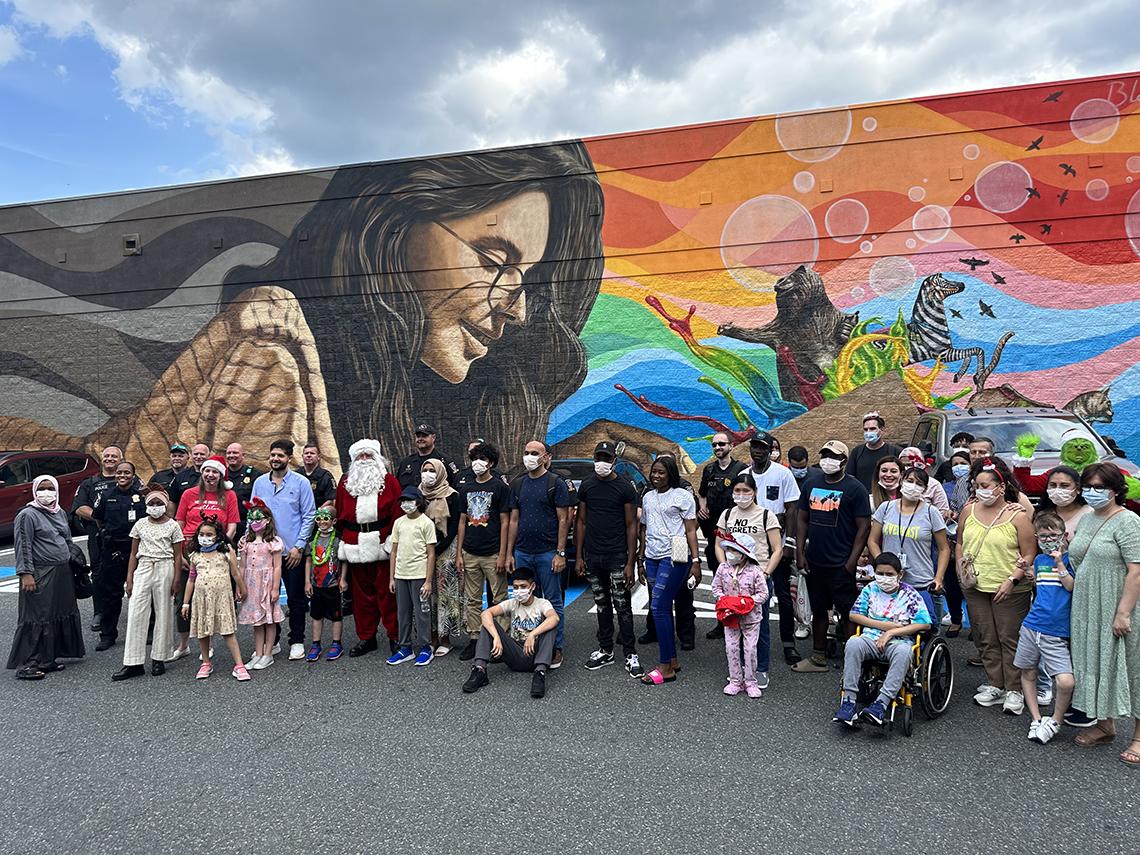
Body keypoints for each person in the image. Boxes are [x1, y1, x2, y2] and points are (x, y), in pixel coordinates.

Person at [1068, 463, 1140, 763]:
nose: (1092, 492)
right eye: (1088, 487)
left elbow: (1136, 570)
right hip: (1087, 605)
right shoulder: (1086, 519)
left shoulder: (1129, 521)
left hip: (1118, 604)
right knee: (1094, 662)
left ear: (1115, 490)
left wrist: (1123, 612)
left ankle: (1138, 737)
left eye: (1099, 487)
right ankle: (1104, 725)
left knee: (1131, 667)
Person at [958, 457, 1036, 714]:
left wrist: (1012, 580)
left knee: (1009, 638)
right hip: (975, 585)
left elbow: (1029, 553)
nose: (981, 490)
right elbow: (959, 542)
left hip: (1009, 588)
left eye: (986, 485)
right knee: (985, 637)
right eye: (977, 484)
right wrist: (960, 565)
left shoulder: (1017, 515)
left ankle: (1015, 689)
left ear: (1001, 487)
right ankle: (995, 683)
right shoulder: (968, 510)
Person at [793, 440, 872, 673]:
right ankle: (818, 657)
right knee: (819, 610)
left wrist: (851, 561)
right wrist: (800, 552)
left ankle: (852, 658)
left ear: (844, 461)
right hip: (815, 561)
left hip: (841, 564)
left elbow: (864, 527)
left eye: (833, 456)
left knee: (848, 612)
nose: (828, 460)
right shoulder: (811, 483)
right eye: (824, 455)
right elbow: (802, 519)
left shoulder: (855, 488)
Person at [833, 552, 932, 727]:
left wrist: (891, 633)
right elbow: (854, 615)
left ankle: (881, 704)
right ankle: (848, 702)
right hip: (870, 639)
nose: (884, 578)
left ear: (899, 575)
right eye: (880, 573)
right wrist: (885, 627)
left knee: (904, 652)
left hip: (899, 642)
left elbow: (924, 625)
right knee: (853, 643)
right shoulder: (870, 589)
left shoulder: (910, 594)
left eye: (889, 574)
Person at [7, 475, 85, 680]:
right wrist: (26, 574)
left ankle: (48, 658)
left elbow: (67, 539)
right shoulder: (27, 514)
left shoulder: (59, 512)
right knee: (37, 616)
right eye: (42, 488)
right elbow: (23, 545)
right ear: (34, 490)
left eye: (51, 488)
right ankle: (29, 663)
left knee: (57, 613)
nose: (46, 492)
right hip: (40, 572)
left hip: (62, 572)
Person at [576, 440, 643, 677]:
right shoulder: (586, 485)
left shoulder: (625, 487)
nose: (601, 462)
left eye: (606, 458)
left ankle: (630, 653)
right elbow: (581, 521)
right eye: (598, 457)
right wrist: (579, 556)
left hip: (617, 556)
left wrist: (630, 563)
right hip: (593, 556)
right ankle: (605, 649)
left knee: (622, 606)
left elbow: (631, 526)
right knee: (602, 604)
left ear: (614, 461)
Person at [506, 439, 573, 669]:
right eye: (526, 452)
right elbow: (514, 520)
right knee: (525, 601)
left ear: (546, 457)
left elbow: (564, 519)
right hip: (523, 553)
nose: (530, 457)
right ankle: (528, 642)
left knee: (553, 602)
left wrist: (560, 552)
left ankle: (555, 648)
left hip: (547, 554)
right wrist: (510, 553)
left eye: (535, 453)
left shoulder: (555, 483)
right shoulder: (518, 484)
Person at [714, 471, 783, 689]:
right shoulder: (727, 515)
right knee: (734, 625)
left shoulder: (765, 515)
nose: (741, 495)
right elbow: (718, 544)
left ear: (754, 492)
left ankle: (760, 669)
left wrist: (766, 573)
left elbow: (777, 549)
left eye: (746, 491)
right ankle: (740, 669)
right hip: (732, 580)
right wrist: (725, 568)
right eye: (737, 491)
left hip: (757, 578)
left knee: (758, 627)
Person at [251, 439, 317, 661]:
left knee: (296, 599)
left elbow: (309, 515)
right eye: (272, 455)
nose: (275, 459)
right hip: (265, 553)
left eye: (280, 455)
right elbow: (254, 516)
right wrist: (249, 542)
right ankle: (273, 641)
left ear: (289, 458)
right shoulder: (260, 483)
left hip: (291, 553)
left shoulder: (300, 483)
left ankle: (296, 640)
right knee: (267, 599)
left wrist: (299, 546)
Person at [335, 439, 402, 657]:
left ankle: (395, 636)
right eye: (360, 456)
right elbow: (340, 514)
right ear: (354, 460)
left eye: (369, 456)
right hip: (354, 544)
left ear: (378, 458)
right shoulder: (346, 483)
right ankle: (367, 637)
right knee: (361, 599)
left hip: (382, 543)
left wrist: (392, 541)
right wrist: (344, 541)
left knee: (388, 595)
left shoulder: (389, 481)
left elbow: (397, 513)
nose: (364, 460)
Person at [637, 455, 701, 685]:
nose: (656, 476)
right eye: (654, 472)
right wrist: (641, 558)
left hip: (676, 553)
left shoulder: (683, 496)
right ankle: (672, 659)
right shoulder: (647, 497)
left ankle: (665, 668)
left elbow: (691, 530)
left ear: (671, 473)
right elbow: (644, 529)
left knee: (659, 607)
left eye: (661, 472)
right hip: (652, 556)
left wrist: (696, 561)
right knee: (659, 607)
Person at [1015, 511, 1077, 745]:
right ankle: (1036, 718)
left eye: (1053, 535)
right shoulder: (1040, 561)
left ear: (1064, 535)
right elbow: (1041, 587)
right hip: (1032, 625)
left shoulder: (1071, 560)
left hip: (1057, 630)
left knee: (1065, 681)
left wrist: (1060, 562)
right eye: (1043, 536)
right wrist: (1028, 571)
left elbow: (1070, 587)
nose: (1048, 539)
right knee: (1028, 672)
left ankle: (1055, 721)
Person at [170, 455, 239, 659]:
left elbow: (233, 525)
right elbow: (179, 522)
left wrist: (221, 545)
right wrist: (179, 553)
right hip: (189, 549)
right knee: (184, 597)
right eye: (207, 471)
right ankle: (183, 645)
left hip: (216, 550)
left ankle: (208, 644)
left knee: (213, 597)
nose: (210, 475)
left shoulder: (229, 495)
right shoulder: (189, 494)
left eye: (215, 472)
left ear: (220, 475)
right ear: (202, 473)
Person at [743, 430, 802, 663]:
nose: (758, 450)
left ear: (770, 450)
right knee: (753, 594)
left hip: (776, 540)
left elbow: (792, 509)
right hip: (752, 542)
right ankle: (753, 640)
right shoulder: (744, 475)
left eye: (762, 447)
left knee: (783, 594)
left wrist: (789, 542)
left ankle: (788, 643)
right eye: (754, 446)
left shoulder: (783, 474)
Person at [113, 485, 183, 681]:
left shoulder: (173, 526)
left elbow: (178, 555)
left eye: (158, 503)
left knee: (164, 612)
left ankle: (159, 658)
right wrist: (129, 579)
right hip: (143, 566)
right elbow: (133, 553)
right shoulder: (140, 524)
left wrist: (177, 578)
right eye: (151, 503)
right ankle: (133, 662)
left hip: (165, 565)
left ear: (165, 504)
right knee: (136, 611)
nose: (155, 506)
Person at [868, 467, 951, 627]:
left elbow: (944, 548)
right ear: (901, 482)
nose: (913, 486)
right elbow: (872, 540)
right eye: (909, 481)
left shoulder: (931, 512)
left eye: (918, 483)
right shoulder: (886, 508)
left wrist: (938, 578)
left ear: (925, 489)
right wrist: (882, 562)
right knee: (886, 624)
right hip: (889, 579)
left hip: (920, 580)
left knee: (924, 627)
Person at [461, 567, 559, 699]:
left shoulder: (542, 603)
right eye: (516, 587)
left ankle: (540, 673)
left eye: (523, 586)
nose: (519, 591)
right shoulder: (512, 603)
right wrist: (496, 637)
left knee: (550, 626)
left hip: (535, 655)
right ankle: (480, 670)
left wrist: (533, 634)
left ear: (533, 586)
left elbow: (554, 618)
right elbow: (486, 613)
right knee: (487, 625)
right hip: (515, 653)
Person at [456, 442, 512, 661]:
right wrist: (459, 553)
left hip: (492, 552)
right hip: (470, 551)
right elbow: (462, 522)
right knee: (472, 599)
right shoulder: (466, 488)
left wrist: (503, 553)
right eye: (474, 458)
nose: (477, 463)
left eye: (482, 459)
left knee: (499, 598)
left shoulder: (500, 487)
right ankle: (474, 638)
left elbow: (506, 522)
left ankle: (501, 639)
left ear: (490, 463)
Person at [181, 518, 249, 681]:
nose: (205, 537)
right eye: (202, 534)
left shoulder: (226, 551)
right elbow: (191, 579)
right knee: (203, 632)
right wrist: (185, 602)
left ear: (218, 535)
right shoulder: (195, 555)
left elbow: (235, 573)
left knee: (228, 631)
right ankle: (206, 662)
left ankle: (239, 665)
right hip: (201, 599)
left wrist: (242, 588)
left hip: (222, 599)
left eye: (209, 534)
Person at [90, 461, 146, 651]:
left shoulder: (140, 497)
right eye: (120, 472)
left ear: (133, 475)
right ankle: (107, 635)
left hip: (137, 550)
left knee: (141, 592)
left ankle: (145, 631)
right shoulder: (105, 496)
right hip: (113, 550)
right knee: (111, 594)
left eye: (127, 473)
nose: (123, 476)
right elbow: (98, 519)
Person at [712, 531, 774, 698]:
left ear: (744, 554)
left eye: (734, 551)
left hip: (751, 618)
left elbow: (764, 593)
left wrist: (748, 601)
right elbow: (715, 588)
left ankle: (751, 681)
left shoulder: (755, 571)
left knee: (750, 649)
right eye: (729, 550)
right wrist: (724, 599)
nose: (730, 554)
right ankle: (735, 681)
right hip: (730, 616)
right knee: (731, 647)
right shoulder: (723, 568)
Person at [698, 432, 746, 640]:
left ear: (731, 446)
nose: (718, 448)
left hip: (736, 537)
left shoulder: (742, 469)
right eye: (714, 445)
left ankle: (742, 621)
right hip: (714, 535)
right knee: (720, 579)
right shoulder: (709, 469)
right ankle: (722, 622)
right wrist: (702, 507)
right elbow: (701, 493)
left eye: (721, 444)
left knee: (740, 580)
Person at [71, 444, 124, 634]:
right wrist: (101, 516)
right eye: (107, 455)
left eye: (114, 456)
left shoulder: (129, 478)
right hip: (99, 535)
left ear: (121, 460)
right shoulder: (89, 483)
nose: (110, 459)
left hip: (126, 536)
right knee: (99, 573)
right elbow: (79, 507)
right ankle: (99, 612)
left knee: (132, 573)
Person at [387, 487, 438, 667]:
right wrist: (392, 577)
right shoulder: (399, 523)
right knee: (403, 612)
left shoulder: (426, 523)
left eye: (409, 500)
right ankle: (405, 648)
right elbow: (393, 551)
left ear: (418, 502)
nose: (405, 504)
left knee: (422, 612)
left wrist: (428, 581)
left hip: (419, 575)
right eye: (403, 501)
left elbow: (431, 554)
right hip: (401, 575)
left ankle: (425, 647)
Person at [417, 458, 461, 655]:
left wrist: (439, 547)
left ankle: (445, 637)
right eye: (425, 470)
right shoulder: (417, 495)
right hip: (422, 551)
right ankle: (431, 636)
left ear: (441, 472)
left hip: (445, 549)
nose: (428, 473)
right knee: (427, 593)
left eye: (432, 470)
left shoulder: (452, 495)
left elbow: (453, 527)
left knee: (445, 594)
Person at [236, 498, 285, 670]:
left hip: (266, 584)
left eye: (259, 519)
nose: (255, 522)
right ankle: (258, 653)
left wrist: (274, 588)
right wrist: (239, 586)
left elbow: (277, 566)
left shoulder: (274, 542)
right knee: (257, 622)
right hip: (251, 586)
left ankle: (268, 654)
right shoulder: (245, 542)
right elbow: (241, 566)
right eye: (252, 519)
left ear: (268, 520)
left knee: (269, 620)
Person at [303, 507, 347, 662]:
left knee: (336, 616)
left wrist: (343, 579)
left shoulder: (337, 540)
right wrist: (307, 581)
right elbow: (308, 560)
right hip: (316, 585)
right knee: (316, 615)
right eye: (319, 519)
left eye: (326, 518)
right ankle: (316, 644)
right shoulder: (312, 539)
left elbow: (343, 560)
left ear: (333, 521)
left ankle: (337, 643)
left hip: (333, 584)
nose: (322, 522)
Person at [941, 449, 973, 637]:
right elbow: (952, 507)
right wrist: (951, 515)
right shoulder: (953, 485)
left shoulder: (978, 482)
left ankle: (976, 624)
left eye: (962, 462)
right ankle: (955, 620)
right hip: (954, 539)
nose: (958, 467)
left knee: (971, 583)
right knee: (952, 583)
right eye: (954, 464)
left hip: (974, 541)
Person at [846, 412, 902, 491]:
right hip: (863, 497)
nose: (868, 432)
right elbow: (850, 477)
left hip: (887, 498)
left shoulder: (894, 451)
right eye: (865, 429)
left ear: (882, 430)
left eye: (872, 429)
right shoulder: (857, 451)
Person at [396, 423, 459, 489]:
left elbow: (455, 486)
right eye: (418, 436)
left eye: (424, 436)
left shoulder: (445, 462)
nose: (420, 439)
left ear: (433, 437)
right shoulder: (406, 462)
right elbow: (397, 488)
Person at [224, 442, 264, 541]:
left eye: (235, 453)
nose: (231, 455)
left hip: (247, 524)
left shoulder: (255, 475)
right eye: (229, 453)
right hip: (225, 524)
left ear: (243, 456)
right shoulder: (220, 474)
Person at [150, 441, 199, 509]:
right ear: (170, 457)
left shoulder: (195, 476)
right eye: (174, 456)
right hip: (162, 515)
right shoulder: (159, 476)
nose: (177, 458)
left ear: (188, 458)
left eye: (180, 456)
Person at [299, 442, 337, 508]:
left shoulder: (326, 476)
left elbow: (330, 500)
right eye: (306, 453)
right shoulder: (297, 474)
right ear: (302, 456)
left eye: (312, 453)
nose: (309, 455)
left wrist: (317, 512)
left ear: (318, 457)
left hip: (319, 513)